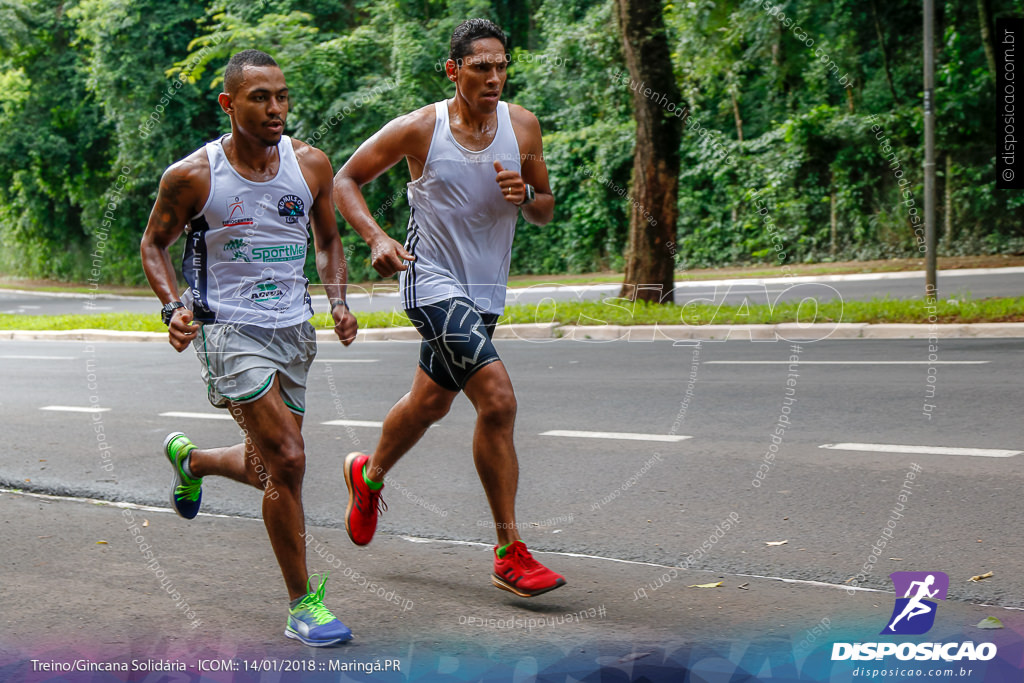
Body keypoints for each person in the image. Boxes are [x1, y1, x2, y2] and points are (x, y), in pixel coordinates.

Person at [333, 19, 565, 598]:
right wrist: (378, 240)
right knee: (498, 400)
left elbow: (545, 209)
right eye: (481, 66)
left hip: (486, 290)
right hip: (428, 279)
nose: (494, 76)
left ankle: (370, 473)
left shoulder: (523, 126)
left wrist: (528, 196)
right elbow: (345, 181)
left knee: (429, 402)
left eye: (502, 65)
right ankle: (510, 551)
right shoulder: (421, 129)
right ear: (454, 69)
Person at [140, 49, 359, 646]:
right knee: (288, 459)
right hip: (228, 329)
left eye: (281, 96)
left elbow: (329, 242)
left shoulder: (310, 165)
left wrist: (337, 299)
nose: (275, 109)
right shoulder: (194, 177)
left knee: (267, 465)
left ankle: (194, 462)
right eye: (259, 98)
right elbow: (154, 245)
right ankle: (301, 604)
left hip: (293, 330)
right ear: (229, 103)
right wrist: (172, 307)